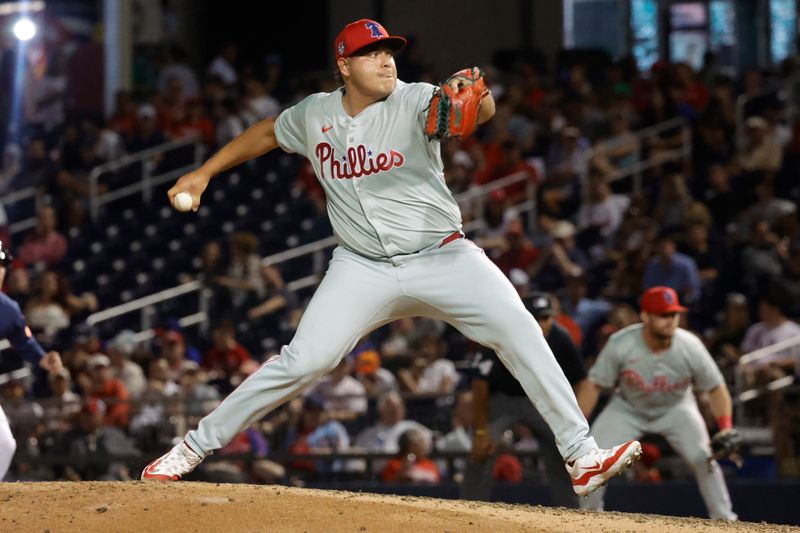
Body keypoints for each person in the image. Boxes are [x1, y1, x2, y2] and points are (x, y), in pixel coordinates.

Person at [142, 19, 640, 492]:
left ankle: (580, 454)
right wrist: (204, 173)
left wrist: (480, 104)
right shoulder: (315, 114)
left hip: (443, 256)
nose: (385, 62)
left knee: (520, 328)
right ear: (343, 66)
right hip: (361, 266)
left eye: (388, 52)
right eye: (371, 54)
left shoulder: (416, 100)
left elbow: (473, 113)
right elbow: (269, 131)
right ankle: (189, 449)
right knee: (302, 360)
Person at [576, 286, 737, 521]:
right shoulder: (622, 343)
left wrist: (725, 426)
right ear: (645, 317)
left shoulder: (690, 345)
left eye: (673, 314)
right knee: (594, 460)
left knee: (704, 458)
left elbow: (716, 387)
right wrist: (579, 427)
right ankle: (588, 519)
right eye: (663, 315)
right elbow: (594, 384)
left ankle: (725, 520)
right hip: (628, 407)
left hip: (677, 407)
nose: (670, 320)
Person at [464, 293, 589, 508]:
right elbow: (479, 384)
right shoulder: (501, 333)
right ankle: (469, 508)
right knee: (482, 448)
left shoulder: (560, 338)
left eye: (546, 318)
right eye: (536, 317)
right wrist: (481, 432)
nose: (541, 324)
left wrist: (575, 421)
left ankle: (571, 512)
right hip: (503, 398)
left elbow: (582, 381)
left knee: (565, 449)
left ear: (553, 318)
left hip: (541, 401)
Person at [0, 241, 63, 480]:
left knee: (5, 445)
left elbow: (23, 341)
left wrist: (42, 358)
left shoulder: (7, 308)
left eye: (2, 265)